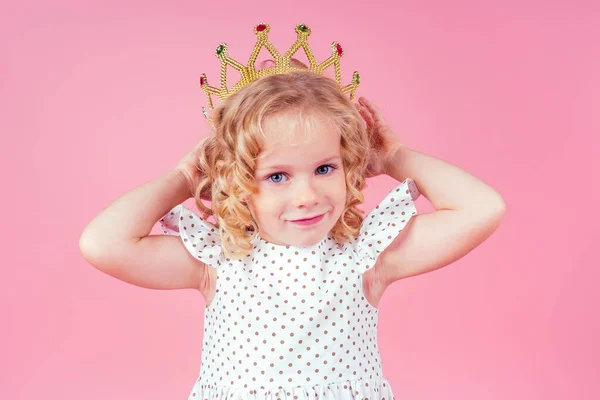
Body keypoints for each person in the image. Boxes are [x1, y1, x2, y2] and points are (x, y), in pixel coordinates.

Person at [80, 23, 505, 400]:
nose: (307, 195)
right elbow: (103, 244)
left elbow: (482, 209)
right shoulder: (219, 262)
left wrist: (396, 156)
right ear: (239, 182)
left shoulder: (364, 259)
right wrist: (184, 179)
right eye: (278, 176)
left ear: (349, 167)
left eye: (324, 168)